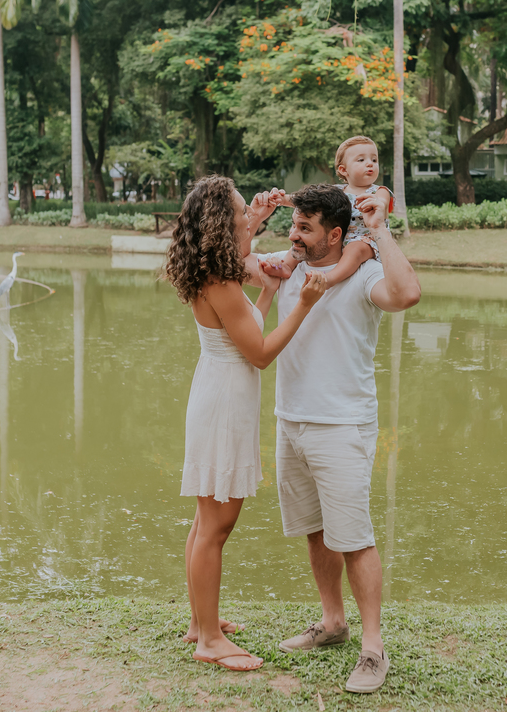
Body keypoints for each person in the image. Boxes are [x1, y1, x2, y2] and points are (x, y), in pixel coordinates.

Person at [249, 183, 421, 694]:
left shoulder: (364, 273)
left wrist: (381, 232)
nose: (294, 234)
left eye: (305, 227)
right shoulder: (289, 263)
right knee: (315, 529)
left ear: (337, 234)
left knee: (355, 537)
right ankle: (332, 623)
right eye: (293, 225)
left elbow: (407, 294)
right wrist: (256, 218)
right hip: (291, 419)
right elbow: (232, 264)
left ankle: (372, 648)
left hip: (343, 425)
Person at [163, 175, 328, 673]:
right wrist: (301, 304)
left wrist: (271, 292)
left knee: (205, 521)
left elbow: (244, 329)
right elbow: (258, 354)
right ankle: (209, 640)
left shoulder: (218, 272)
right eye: (239, 213)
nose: (246, 217)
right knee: (217, 524)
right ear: (221, 221)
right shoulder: (221, 279)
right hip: (223, 403)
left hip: (219, 395)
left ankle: (200, 622)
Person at [262, 136, 390, 287]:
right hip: (338, 237)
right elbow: (308, 201)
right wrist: (283, 199)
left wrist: (377, 203)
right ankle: (286, 266)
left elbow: (382, 202)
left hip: (366, 239)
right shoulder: (337, 190)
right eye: (361, 160)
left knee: (355, 249)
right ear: (343, 169)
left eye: (374, 160)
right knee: (305, 239)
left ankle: (329, 279)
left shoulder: (379, 191)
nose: (370, 163)